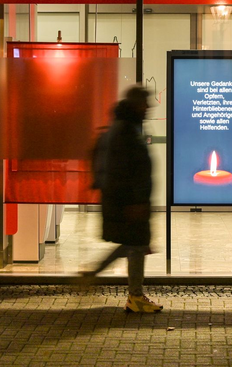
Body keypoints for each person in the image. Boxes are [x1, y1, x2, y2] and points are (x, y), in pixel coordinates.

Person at [81, 86, 162, 313]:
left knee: (134, 245)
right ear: (136, 104)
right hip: (129, 202)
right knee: (135, 245)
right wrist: (135, 202)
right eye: (145, 102)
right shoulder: (126, 131)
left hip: (126, 200)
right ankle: (134, 296)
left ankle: (96, 275)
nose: (148, 107)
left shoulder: (124, 126)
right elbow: (128, 169)